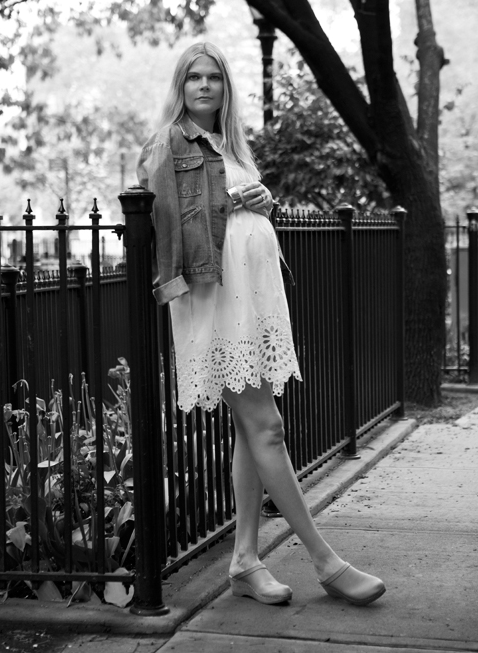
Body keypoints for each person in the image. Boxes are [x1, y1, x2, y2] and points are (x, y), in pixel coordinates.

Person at [136, 41, 385, 607]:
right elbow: (164, 222)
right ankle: (326, 560)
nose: (204, 86)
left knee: (253, 433)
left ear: (225, 87)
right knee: (267, 427)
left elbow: (239, 210)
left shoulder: (229, 143)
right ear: (180, 85)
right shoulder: (167, 144)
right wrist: (231, 204)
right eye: (194, 77)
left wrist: (263, 200)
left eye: (214, 78)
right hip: (216, 302)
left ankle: (245, 562)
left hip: (254, 300)